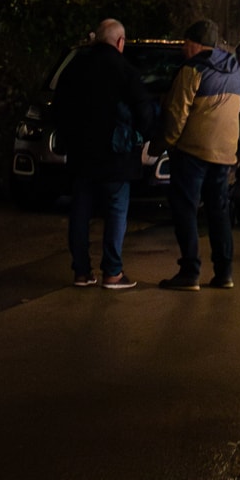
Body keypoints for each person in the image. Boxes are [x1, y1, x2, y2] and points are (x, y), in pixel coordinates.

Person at [51, 18, 154, 289]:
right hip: (116, 153)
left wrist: (68, 138)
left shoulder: (75, 68)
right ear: (120, 42)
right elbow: (144, 109)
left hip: (81, 154)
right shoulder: (125, 70)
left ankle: (82, 272)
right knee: (116, 210)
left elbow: (58, 107)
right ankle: (113, 272)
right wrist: (139, 137)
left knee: (81, 210)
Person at [157, 19, 240, 290]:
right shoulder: (235, 69)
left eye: (186, 43)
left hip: (193, 151)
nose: (184, 48)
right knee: (218, 212)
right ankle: (224, 272)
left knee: (185, 208)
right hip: (225, 151)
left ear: (195, 44)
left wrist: (165, 142)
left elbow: (177, 113)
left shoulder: (192, 69)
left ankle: (190, 272)